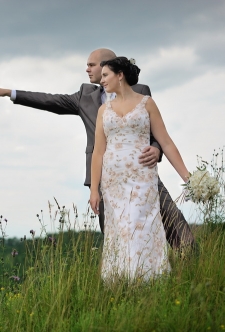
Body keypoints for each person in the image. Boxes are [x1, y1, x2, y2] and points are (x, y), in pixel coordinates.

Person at [0, 48, 195, 250]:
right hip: (104, 178)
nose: (87, 69)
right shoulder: (85, 96)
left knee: (173, 222)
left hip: (141, 172)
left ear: (108, 67)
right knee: (115, 236)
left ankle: (191, 262)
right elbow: (50, 100)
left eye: (91, 65)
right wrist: (9, 92)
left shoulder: (141, 92)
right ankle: (126, 283)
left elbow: (155, 132)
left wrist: (156, 149)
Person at [89, 57, 190, 281]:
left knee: (140, 222)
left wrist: (188, 178)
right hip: (113, 180)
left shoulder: (147, 103)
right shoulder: (103, 110)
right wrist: (94, 190)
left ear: (120, 75)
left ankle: (146, 278)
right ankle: (122, 280)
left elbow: (166, 142)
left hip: (142, 176)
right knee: (121, 229)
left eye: (105, 75)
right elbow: (98, 152)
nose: (102, 80)